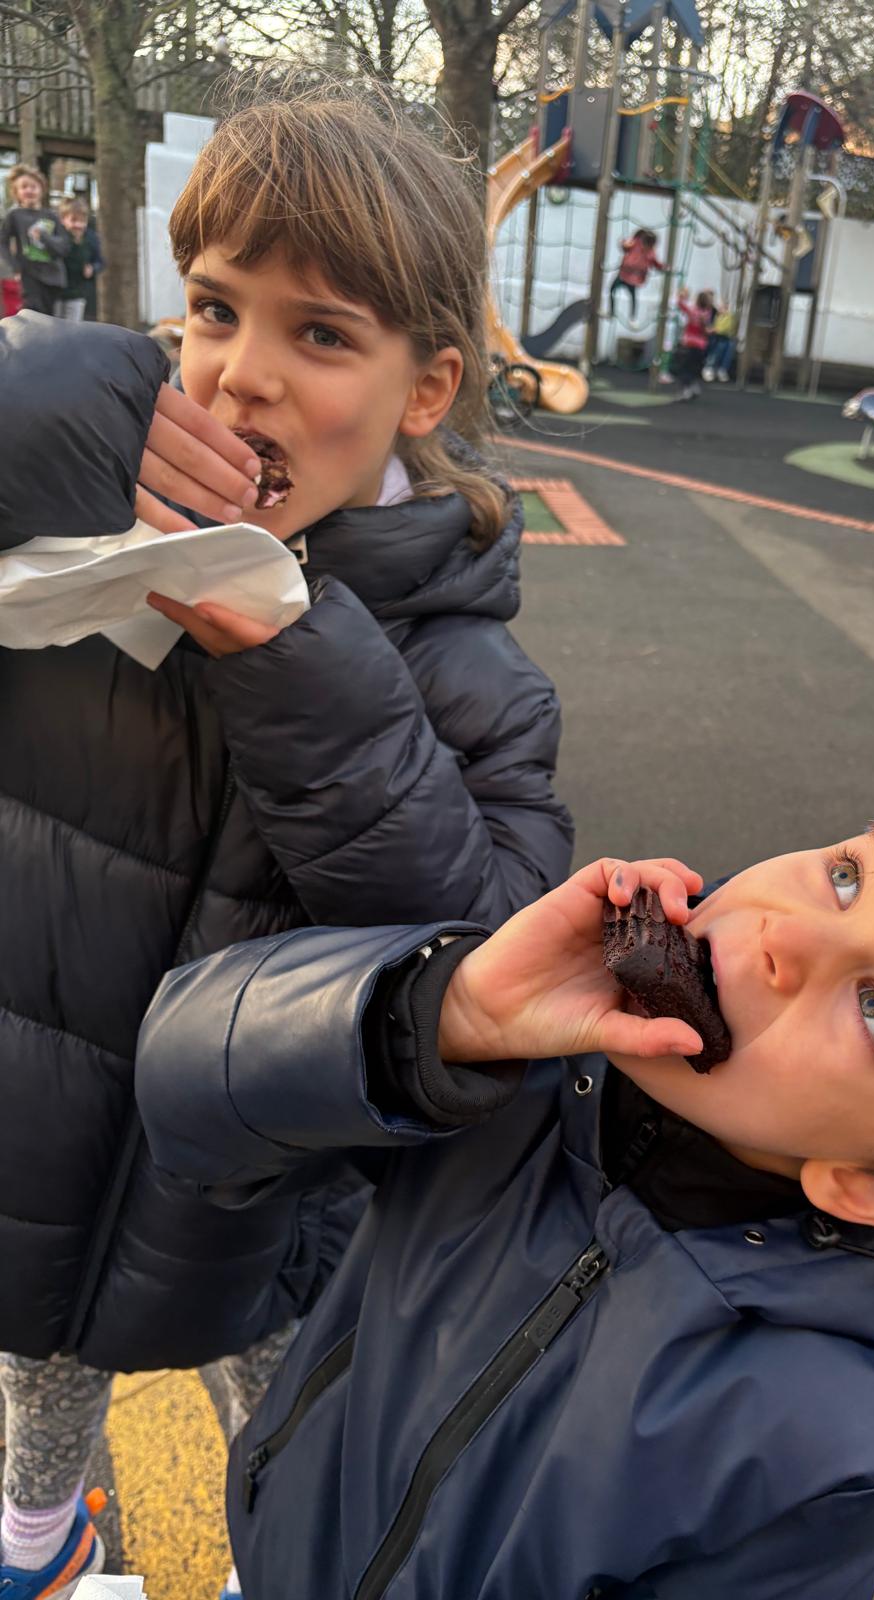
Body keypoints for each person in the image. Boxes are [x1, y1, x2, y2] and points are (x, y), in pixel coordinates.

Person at [134, 779, 874, 1600]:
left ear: (869, 1186)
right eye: (846, 877)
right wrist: (447, 1013)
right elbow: (184, 1099)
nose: (783, 937)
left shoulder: (824, 1448)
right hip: (267, 1550)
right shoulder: (507, 1084)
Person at [0, 77, 574, 1600]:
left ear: (427, 387)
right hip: (31, 1139)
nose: (241, 376)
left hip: (261, 1210)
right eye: (213, 309)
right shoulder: (67, 550)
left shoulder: (468, 672)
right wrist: (26, 423)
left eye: (320, 334)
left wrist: (296, 657)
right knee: (35, 1373)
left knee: (294, 1443)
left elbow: (485, 952)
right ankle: (39, 1546)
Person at [2, 165, 69, 316]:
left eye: (33, 186)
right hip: (29, 275)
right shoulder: (14, 216)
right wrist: (15, 266)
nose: (29, 190)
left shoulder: (51, 216)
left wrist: (44, 236)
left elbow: (63, 247)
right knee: (32, 314)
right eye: (24, 187)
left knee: (50, 318)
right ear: (16, 192)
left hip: (53, 277)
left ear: (42, 189)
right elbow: (2, 242)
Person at [55, 200, 104, 322]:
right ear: (63, 219)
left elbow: (100, 261)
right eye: (73, 220)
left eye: (82, 221)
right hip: (56, 293)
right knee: (55, 324)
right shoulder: (58, 237)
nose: (78, 225)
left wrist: (92, 268)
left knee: (73, 325)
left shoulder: (91, 239)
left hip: (77, 293)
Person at [608, 227, 665, 319]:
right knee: (612, 290)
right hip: (624, 275)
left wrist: (663, 267)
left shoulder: (651, 252)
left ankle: (632, 317)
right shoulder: (636, 243)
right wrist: (623, 243)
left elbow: (656, 263)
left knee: (632, 296)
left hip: (633, 278)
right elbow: (625, 246)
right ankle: (612, 312)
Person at [671, 287, 715, 400]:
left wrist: (682, 296)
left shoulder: (693, 311)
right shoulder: (707, 313)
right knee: (694, 367)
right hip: (701, 345)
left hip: (690, 343)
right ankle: (693, 386)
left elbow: (681, 305)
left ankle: (686, 390)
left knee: (685, 368)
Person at [703, 301, 736, 383]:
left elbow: (726, 328)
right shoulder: (717, 316)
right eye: (720, 308)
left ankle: (720, 370)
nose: (720, 309)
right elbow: (715, 327)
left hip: (724, 337)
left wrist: (714, 330)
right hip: (717, 337)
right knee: (718, 348)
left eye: (723, 308)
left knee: (725, 347)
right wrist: (713, 330)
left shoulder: (729, 317)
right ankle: (710, 368)